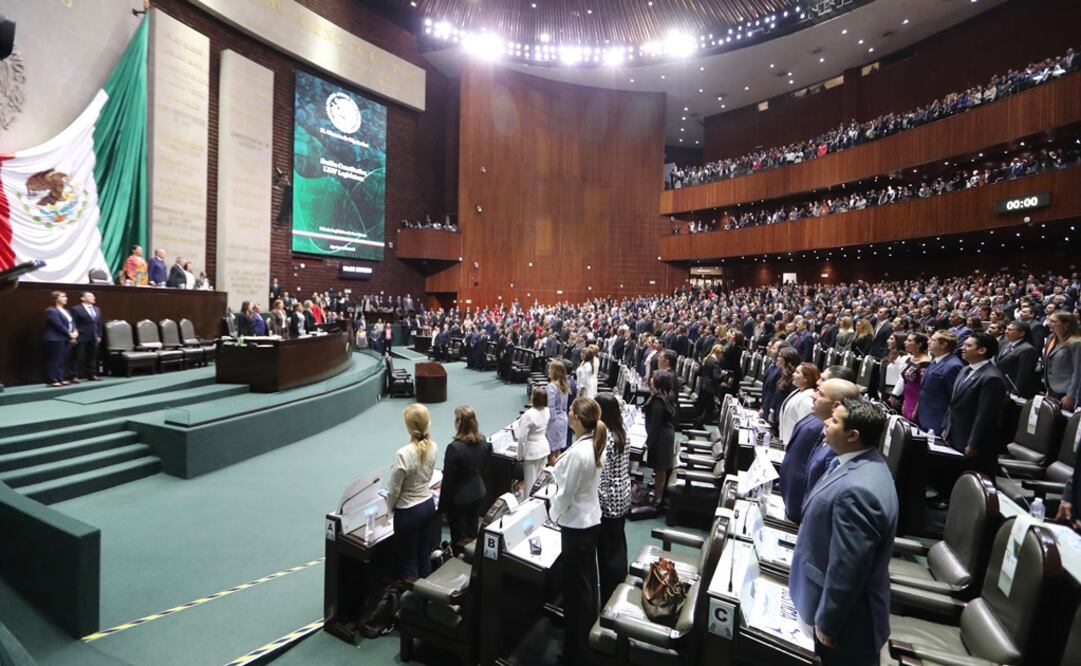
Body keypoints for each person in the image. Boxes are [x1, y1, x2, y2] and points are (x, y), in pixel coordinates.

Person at [789, 398, 897, 665]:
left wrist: (828, 620)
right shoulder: (859, 464)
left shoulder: (858, 491)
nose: (826, 422)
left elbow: (848, 566)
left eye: (835, 421)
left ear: (853, 435)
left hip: (847, 625)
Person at [549, 397, 605, 666]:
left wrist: (551, 514)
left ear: (577, 419)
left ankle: (576, 652)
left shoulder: (580, 452)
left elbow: (566, 495)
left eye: (571, 412)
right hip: (590, 520)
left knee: (576, 592)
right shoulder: (593, 441)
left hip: (576, 525)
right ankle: (584, 642)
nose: (567, 414)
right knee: (585, 586)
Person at [778, 377, 859, 523]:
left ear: (836, 405)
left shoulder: (837, 446)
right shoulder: (823, 430)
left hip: (803, 519)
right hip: (794, 508)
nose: (813, 395)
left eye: (820, 394)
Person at [943, 332, 1009, 477]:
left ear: (982, 350)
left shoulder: (992, 377)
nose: (962, 348)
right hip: (956, 434)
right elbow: (953, 403)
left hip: (974, 442)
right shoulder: (965, 369)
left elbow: (985, 415)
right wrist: (947, 428)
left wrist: (973, 443)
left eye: (968, 345)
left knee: (973, 481)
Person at [386, 404, 438, 583]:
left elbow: (393, 489)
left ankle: (412, 607)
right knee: (424, 556)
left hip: (408, 512)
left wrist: (389, 508)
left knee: (409, 563)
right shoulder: (434, 447)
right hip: (428, 506)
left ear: (409, 427)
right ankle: (426, 600)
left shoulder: (403, 454)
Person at [439, 406, 491, 555]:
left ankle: (459, 564)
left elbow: (448, 483)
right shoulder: (482, 440)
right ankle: (472, 561)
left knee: (459, 539)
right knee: (472, 531)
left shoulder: (454, 448)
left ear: (459, 422)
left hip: (459, 501)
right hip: (478, 493)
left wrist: (442, 509)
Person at [595, 392, 630, 603]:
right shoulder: (621, 432)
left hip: (609, 504)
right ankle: (619, 588)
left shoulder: (606, 439)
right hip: (623, 497)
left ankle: (610, 598)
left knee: (608, 555)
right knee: (618, 547)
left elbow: (603, 478)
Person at [915, 330, 963, 436]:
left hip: (938, 421)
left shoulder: (954, 365)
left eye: (932, 340)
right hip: (924, 415)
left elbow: (954, 400)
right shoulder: (935, 360)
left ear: (943, 344)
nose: (928, 342)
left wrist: (947, 426)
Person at [644, 370, 677, 508]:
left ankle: (658, 500)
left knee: (660, 470)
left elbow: (655, 424)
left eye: (653, 378)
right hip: (664, 435)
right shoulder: (663, 396)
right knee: (660, 469)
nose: (651, 379)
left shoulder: (659, 400)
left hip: (661, 437)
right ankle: (658, 495)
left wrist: (648, 443)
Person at [514, 388, 551, 496]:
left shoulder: (529, 415)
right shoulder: (547, 410)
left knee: (530, 484)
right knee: (540, 482)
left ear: (533, 398)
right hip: (543, 448)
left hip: (532, 452)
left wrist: (519, 456)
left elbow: (522, 438)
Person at [1042, 311, 1081, 410]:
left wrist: (1071, 395)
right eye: (1049, 320)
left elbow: (1078, 372)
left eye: (1053, 321)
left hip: (1066, 392)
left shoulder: (1075, 343)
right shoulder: (1052, 339)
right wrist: (1049, 389)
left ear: (1066, 324)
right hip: (1052, 389)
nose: (1048, 324)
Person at [891, 333, 931, 421]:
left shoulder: (925, 363)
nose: (905, 342)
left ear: (919, 344)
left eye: (909, 340)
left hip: (916, 403)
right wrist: (904, 401)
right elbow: (905, 380)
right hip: (907, 400)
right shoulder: (910, 358)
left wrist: (916, 409)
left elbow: (923, 389)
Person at [995, 320, 1039, 398]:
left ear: (1021, 333)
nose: (1006, 331)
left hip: (1012, 389)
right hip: (1001, 385)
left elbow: (1023, 374)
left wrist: (1015, 393)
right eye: (1006, 329)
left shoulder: (1027, 349)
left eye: (1010, 330)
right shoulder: (1005, 343)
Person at [43, 291, 77, 387]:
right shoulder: (51, 310)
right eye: (63, 296)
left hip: (65, 338)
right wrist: (70, 334)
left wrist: (75, 332)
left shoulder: (67, 311)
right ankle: (52, 380)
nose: (66, 298)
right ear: (56, 298)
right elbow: (58, 325)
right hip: (54, 339)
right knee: (54, 360)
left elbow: (72, 323)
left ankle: (60, 378)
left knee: (62, 360)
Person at [779, 362, 819, 443]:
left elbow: (804, 428)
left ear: (806, 378)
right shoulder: (798, 391)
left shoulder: (808, 398)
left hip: (794, 442)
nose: (793, 374)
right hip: (787, 440)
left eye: (797, 372)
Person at [69, 292, 102, 381]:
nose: (93, 297)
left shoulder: (96, 309)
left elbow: (98, 323)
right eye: (89, 296)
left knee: (92, 356)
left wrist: (99, 334)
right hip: (81, 335)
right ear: (82, 298)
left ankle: (92, 374)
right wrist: (73, 336)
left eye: (93, 296)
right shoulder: (76, 309)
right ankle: (74, 376)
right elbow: (73, 323)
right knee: (77, 356)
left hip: (93, 336)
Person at [545, 360, 571, 465]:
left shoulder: (551, 386)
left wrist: (547, 422)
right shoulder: (564, 385)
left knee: (551, 453)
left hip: (554, 421)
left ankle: (554, 478)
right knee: (558, 452)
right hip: (563, 419)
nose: (548, 370)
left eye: (550, 368)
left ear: (555, 371)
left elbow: (550, 407)